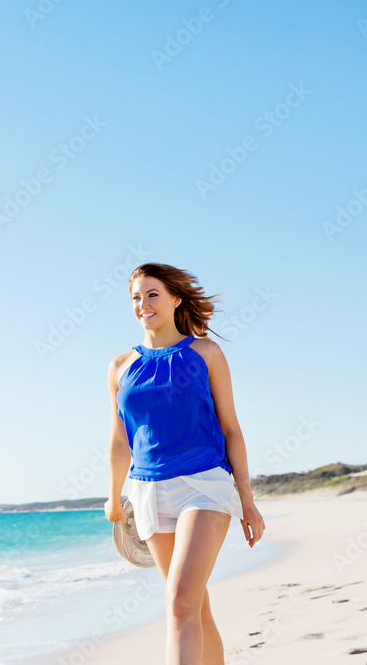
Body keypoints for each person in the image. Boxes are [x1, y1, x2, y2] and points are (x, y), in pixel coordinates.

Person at [103, 262, 266, 665]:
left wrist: (247, 499)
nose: (143, 304)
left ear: (175, 299)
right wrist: (112, 497)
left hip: (204, 485)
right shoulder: (120, 367)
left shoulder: (205, 353)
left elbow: (231, 429)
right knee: (194, 608)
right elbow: (120, 440)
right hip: (147, 492)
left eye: (152, 294)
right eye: (136, 298)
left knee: (178, 603)